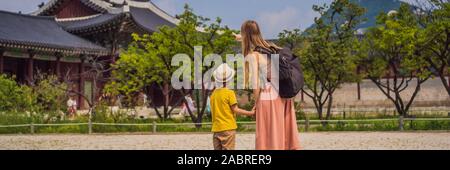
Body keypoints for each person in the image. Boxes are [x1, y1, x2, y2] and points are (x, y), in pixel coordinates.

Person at [237, 20, 301, 150]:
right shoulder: (271, 47)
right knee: (281, 135)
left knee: (268, 137)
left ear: (245, 35)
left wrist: (256, 103)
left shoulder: (253, 55)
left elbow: (256, 84)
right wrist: (242, 37)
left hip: (268, 98)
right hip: (283, 95)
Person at [210, 63, 255, 150]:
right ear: (229, 80)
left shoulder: (213, 94)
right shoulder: (229, 93)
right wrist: (251, 113)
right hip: (228, 128)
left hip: (216, 129)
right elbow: (235, 110)